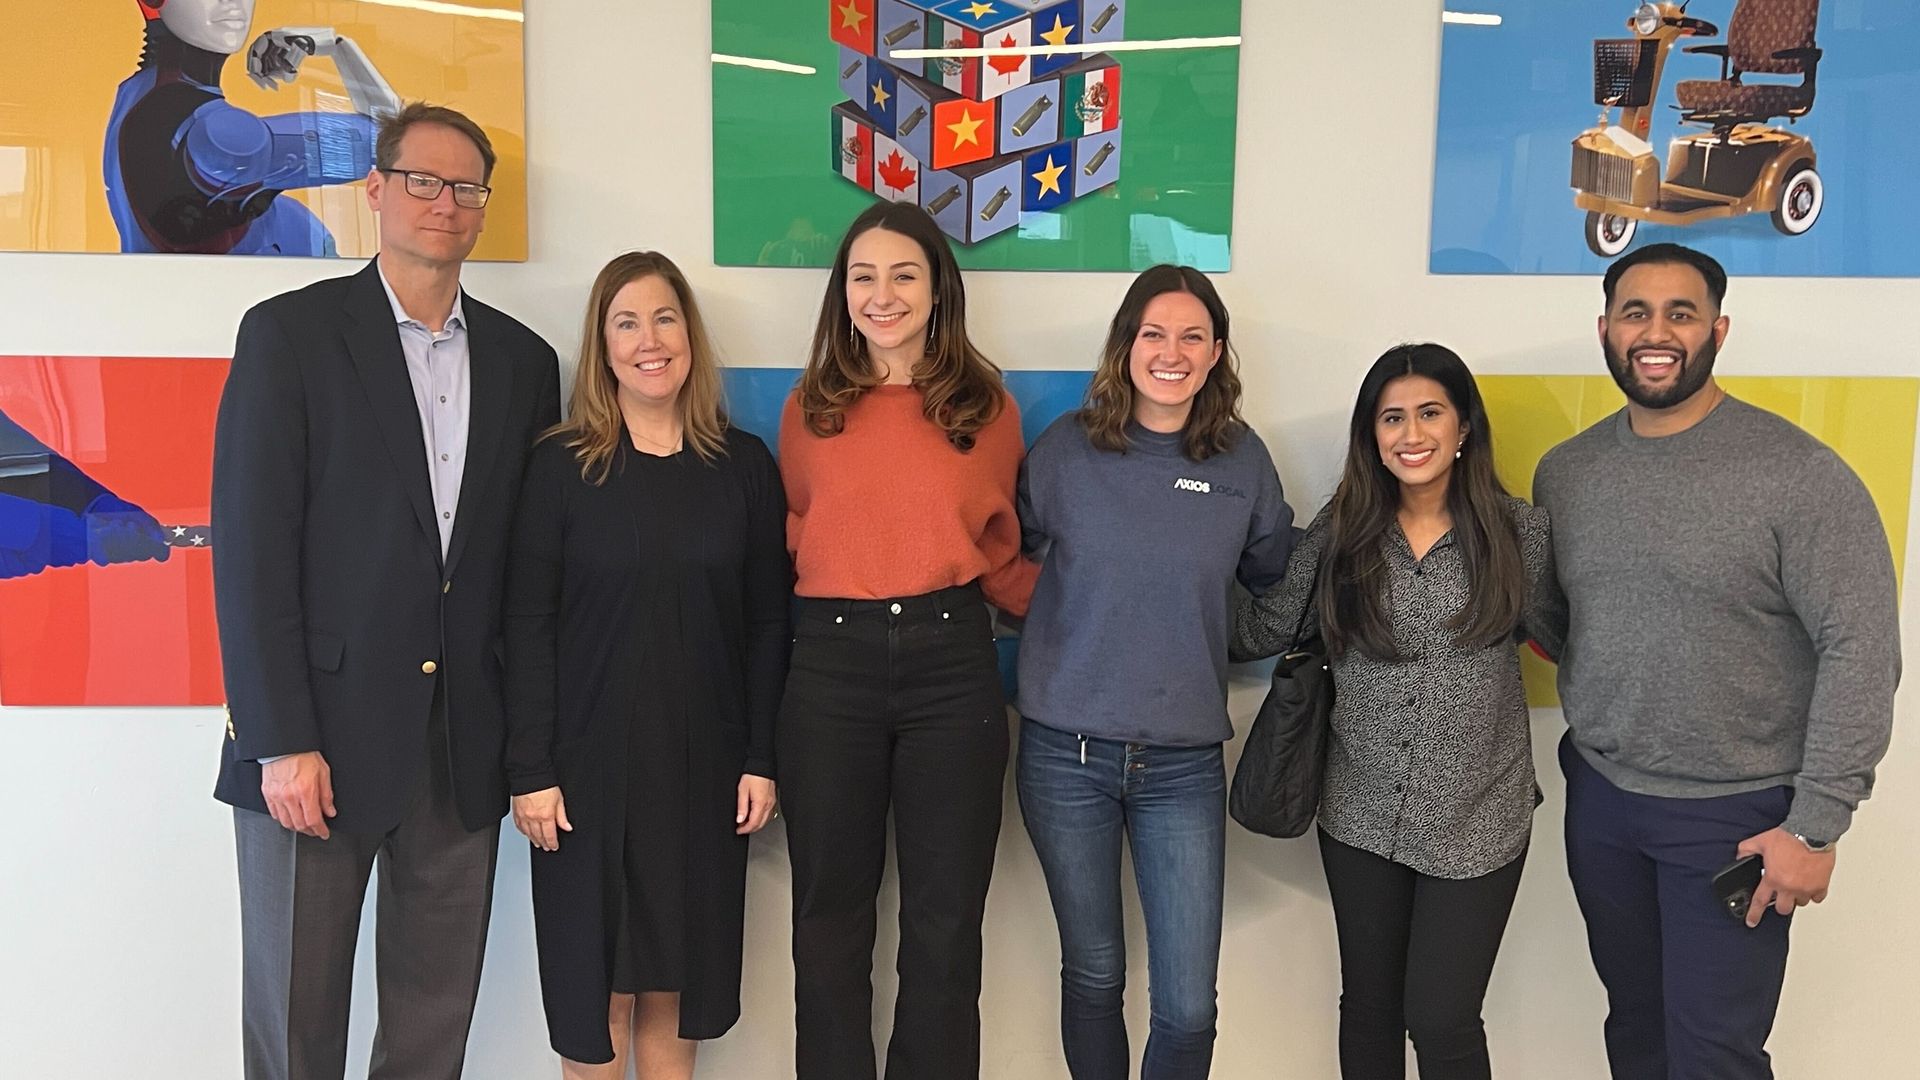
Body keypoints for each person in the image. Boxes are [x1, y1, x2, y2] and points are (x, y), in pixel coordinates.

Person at [211, 102, 560, 1080]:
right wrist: (280, 740)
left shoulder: (526, 364)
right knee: (295, 1023)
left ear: (483, 207)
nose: (444, 203)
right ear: (376, 191)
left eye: (465, 188)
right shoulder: (290, 336)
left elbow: (523, 573)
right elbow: (250, 551)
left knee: (430, 1026)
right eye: (422, 181)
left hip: (459, 748)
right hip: (312, 746)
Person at [1533, 243, 1900, 1080]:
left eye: (1681, 313)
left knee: (1713, 1056)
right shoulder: (1568, 473)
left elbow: (1863, 649)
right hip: (1605, 802)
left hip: (1736, 820)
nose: (1655, 332)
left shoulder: (1799, 476)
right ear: (1605, 329)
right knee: (1636, 1033)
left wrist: (1816, 823)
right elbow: (1564, 623)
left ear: (1718, 331)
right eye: (1635, 312)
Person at [1234, 343, 1556, 1079]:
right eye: (1392, 417)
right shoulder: (1341, 531)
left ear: (1464, 426)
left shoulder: (1519, 533)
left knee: (1441, 1020)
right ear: (1371, 435)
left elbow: (1568, 638)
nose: (1411, 434)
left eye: (1430, 413)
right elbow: (1263, 629)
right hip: (1360, 812)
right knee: (1370, 1009)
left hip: (1479, 813)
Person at [503, 251, 789, 1079]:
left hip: (703, 771)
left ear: (690, 336)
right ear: (602, 345)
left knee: (676, 983)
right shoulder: (560, 467)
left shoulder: (743, 467)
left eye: (664, 318)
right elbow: (526, 624)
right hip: (581, 779)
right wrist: (530, 769)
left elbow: (769, 624)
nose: (648, 340)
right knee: (595, 1001)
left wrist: (761, 759)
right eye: (626, 322)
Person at [777, 200, 1038, 1080]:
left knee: (944, 920)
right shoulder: (809, 409)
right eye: (862, 276)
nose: (881, 295)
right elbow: (796, 540)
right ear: (840, 292)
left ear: (937, 291)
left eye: (903, 275)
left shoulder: (988, 409)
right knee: (828, 914)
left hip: (951, 663)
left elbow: (1000, 551)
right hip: (829, 666)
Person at [1014, 264, 1295, 1079]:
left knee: (1188, 1006)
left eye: (1192, 336)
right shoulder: (1066, 450)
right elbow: (1014, 565)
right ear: (1126, 344)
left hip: (1183, 765)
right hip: (1065, 756)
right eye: (1154, 333)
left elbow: (1275, 577)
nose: (1171, 352)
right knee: (1095, 974)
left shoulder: (1242, 462)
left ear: (1216, 355)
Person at [109, 0, 402, 255]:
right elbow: (398, 144)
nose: (232, 2)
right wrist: (339, 48)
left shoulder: (137, 93)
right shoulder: (215, 135)